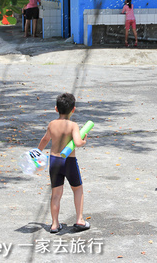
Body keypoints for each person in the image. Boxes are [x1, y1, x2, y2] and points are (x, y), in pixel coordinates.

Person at [37, 93, 91, 233]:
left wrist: (37, 152)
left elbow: (44, 140)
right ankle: (79, 220)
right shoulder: (73, 125)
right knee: (77, 188)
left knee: (56, 193)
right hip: (69, 161)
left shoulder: (52, 124)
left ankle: (54, 224)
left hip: (54, 160)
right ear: (73, 110)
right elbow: (77, 143)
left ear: (56, 109)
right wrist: (84, 140)